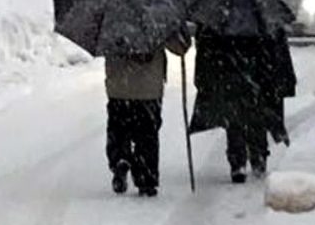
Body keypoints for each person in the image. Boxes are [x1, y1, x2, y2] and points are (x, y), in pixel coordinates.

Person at [189, 28, 298, 184]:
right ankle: (258, 156)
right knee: (257, 117)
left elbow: (206, 46)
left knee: (235, 119)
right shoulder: (263, 15)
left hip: (231, 72)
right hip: (259, 73)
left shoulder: (221, 17)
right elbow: (277, 48)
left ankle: (238, 161)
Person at [103, 45, 173, 197]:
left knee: (118, 127)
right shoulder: (160, 22)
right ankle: (146, 176)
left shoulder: (112, 23)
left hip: (119, 84)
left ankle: (120, 159)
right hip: (149, 87)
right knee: (147, 133)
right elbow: (180, 46)